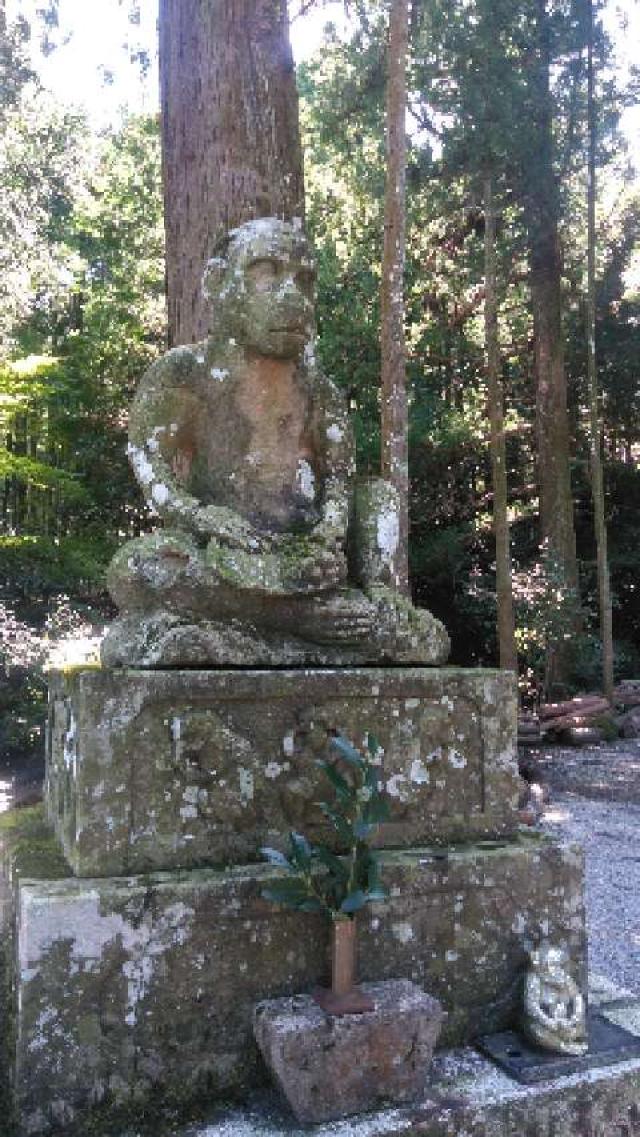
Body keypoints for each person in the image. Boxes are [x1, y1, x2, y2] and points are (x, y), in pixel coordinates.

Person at [101, 219, 449, 668]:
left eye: (303, 281)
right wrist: (207, 517)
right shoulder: (181, 376)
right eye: (267, 272)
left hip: (307, 559)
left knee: (379, 497)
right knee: (138, 567)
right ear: (218, 281)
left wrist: (329, 532)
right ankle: (298, 620)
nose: (292, 296)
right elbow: (155, 476)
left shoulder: (318, 391)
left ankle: (370, 601)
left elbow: (340, 484)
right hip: (222, 552)